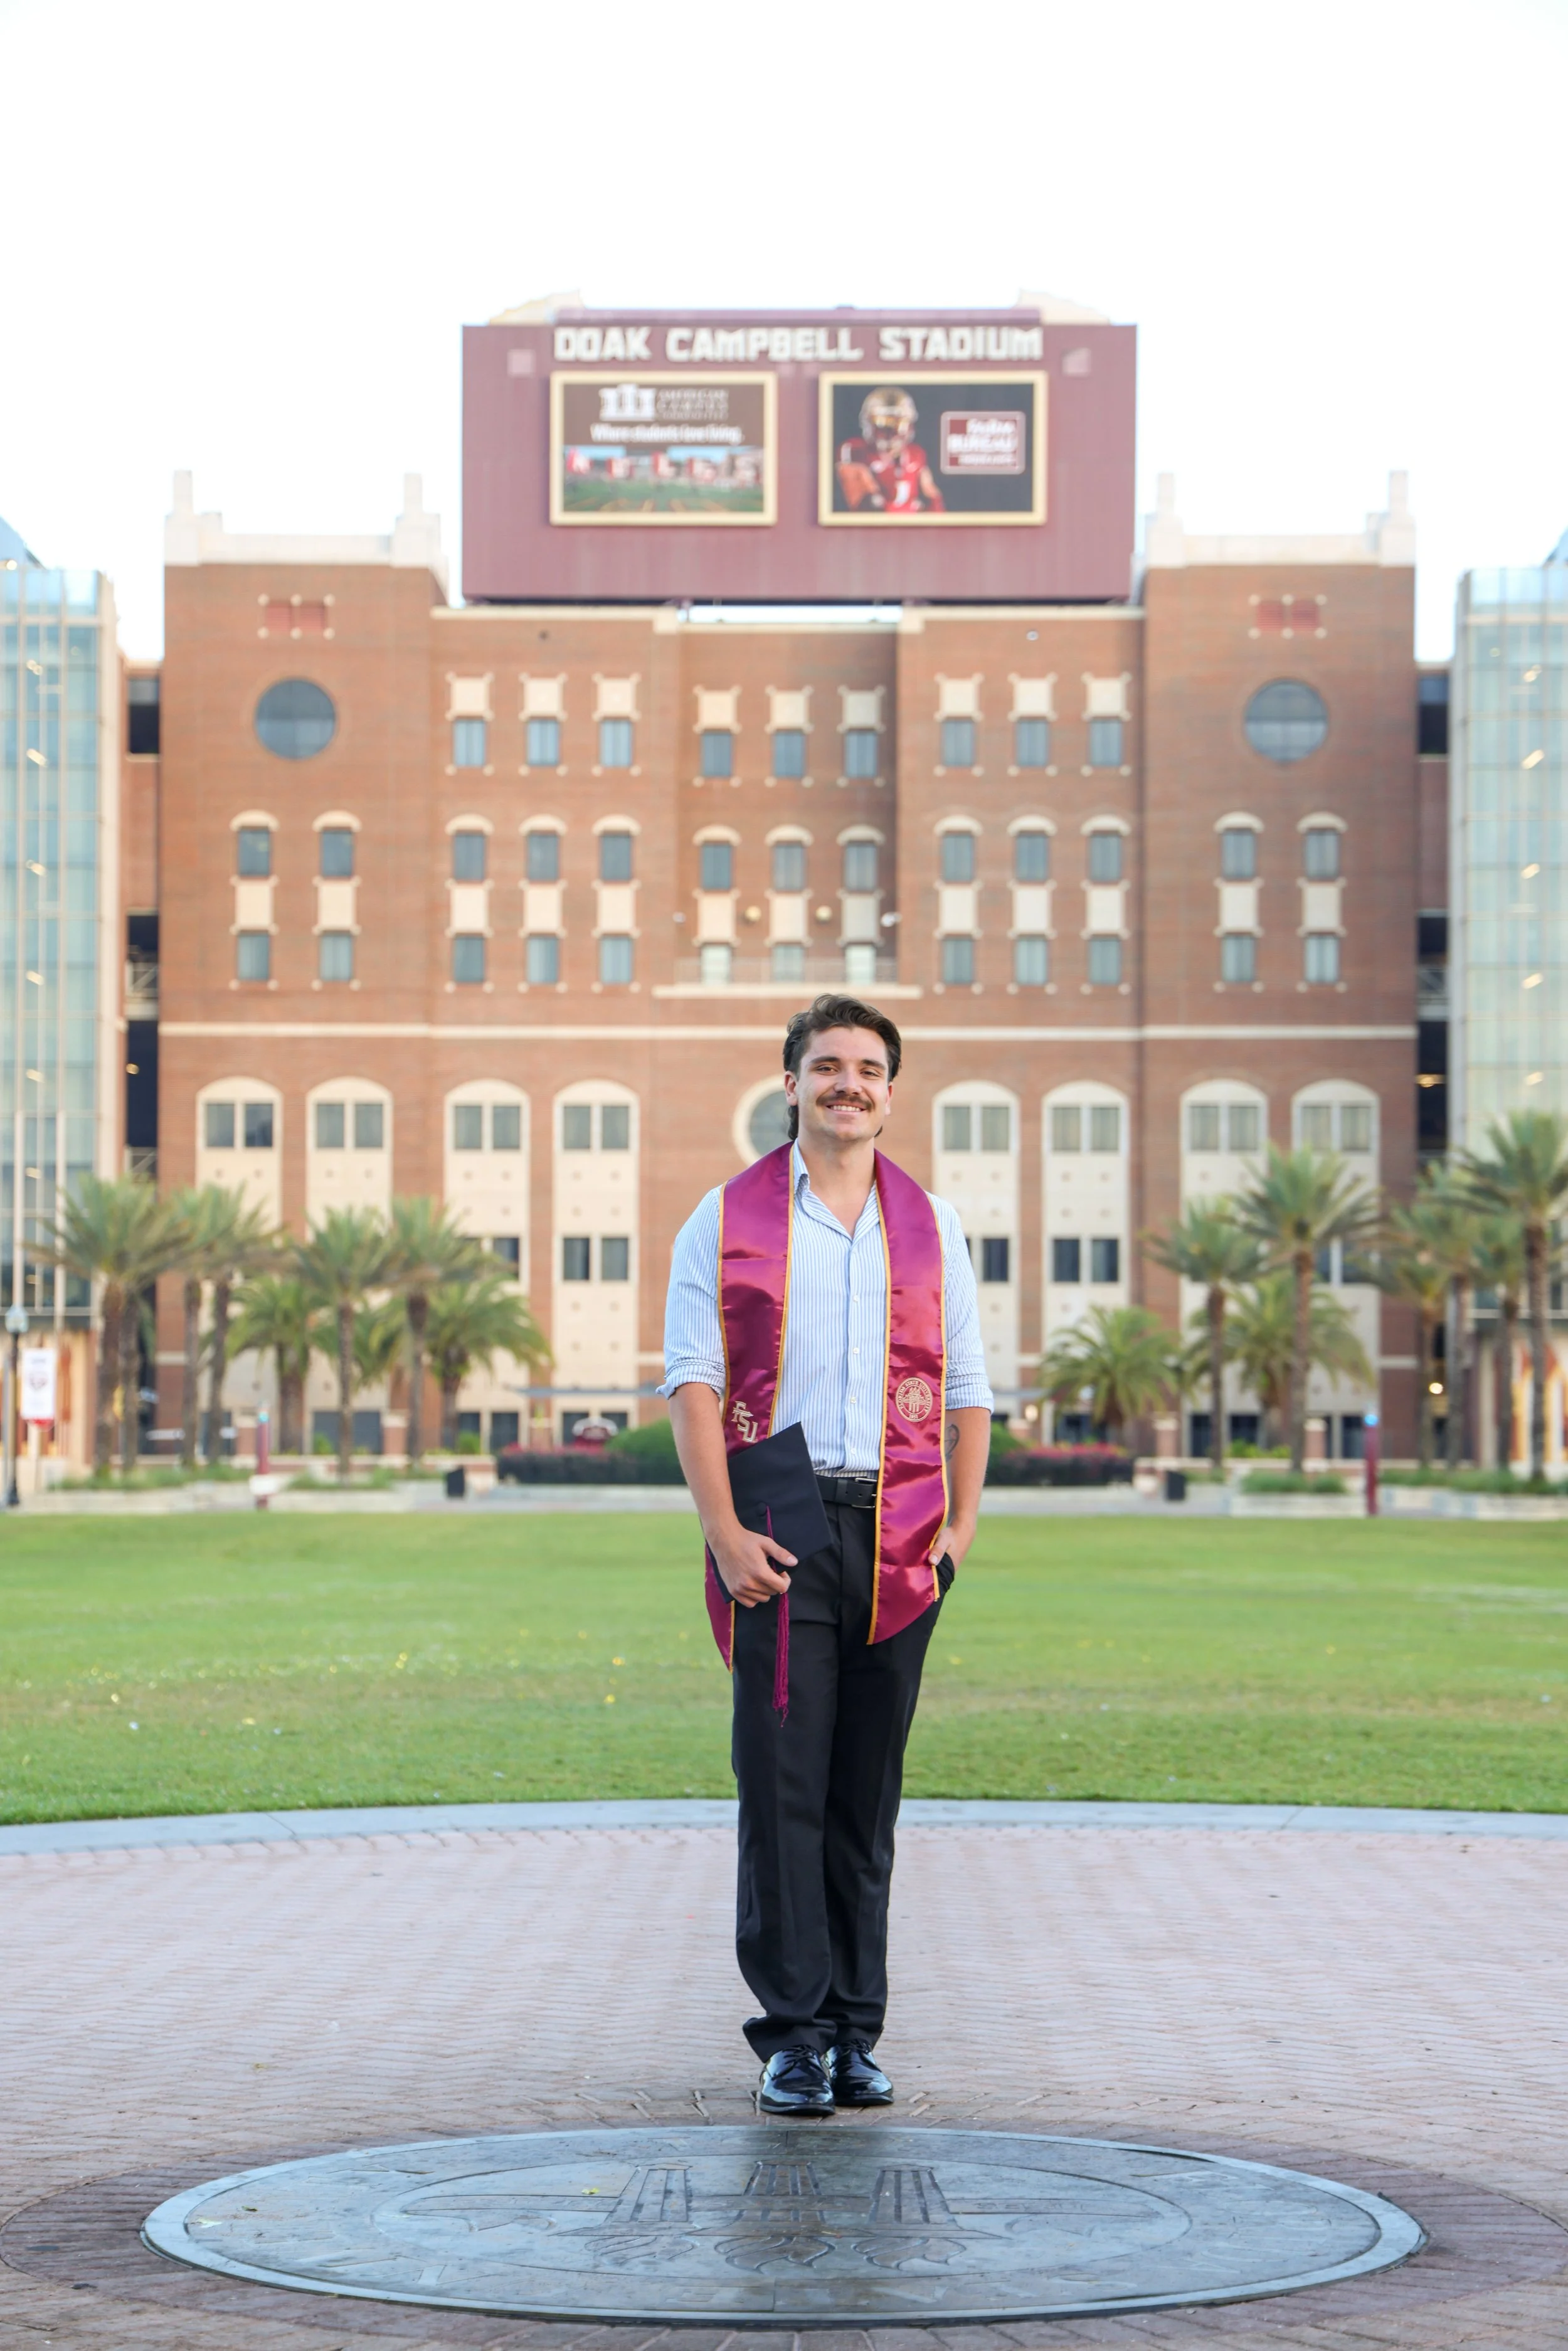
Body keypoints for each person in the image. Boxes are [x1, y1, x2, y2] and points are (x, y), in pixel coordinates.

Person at [661, 994, 992, 2115]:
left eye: (868, 1069)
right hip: (781, 1528)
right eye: (828, 1066)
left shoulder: (932, 1228)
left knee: (866, 1795)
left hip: (898, 1527)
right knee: (783, 1786)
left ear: (891, 1095)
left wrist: (960, 1528)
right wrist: (723, 1532)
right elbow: (694, 1384)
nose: (849, 1084)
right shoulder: (724, 1218)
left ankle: (857, 2030)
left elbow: (969, 1390)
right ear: (790, 1082)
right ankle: (792, 2035)